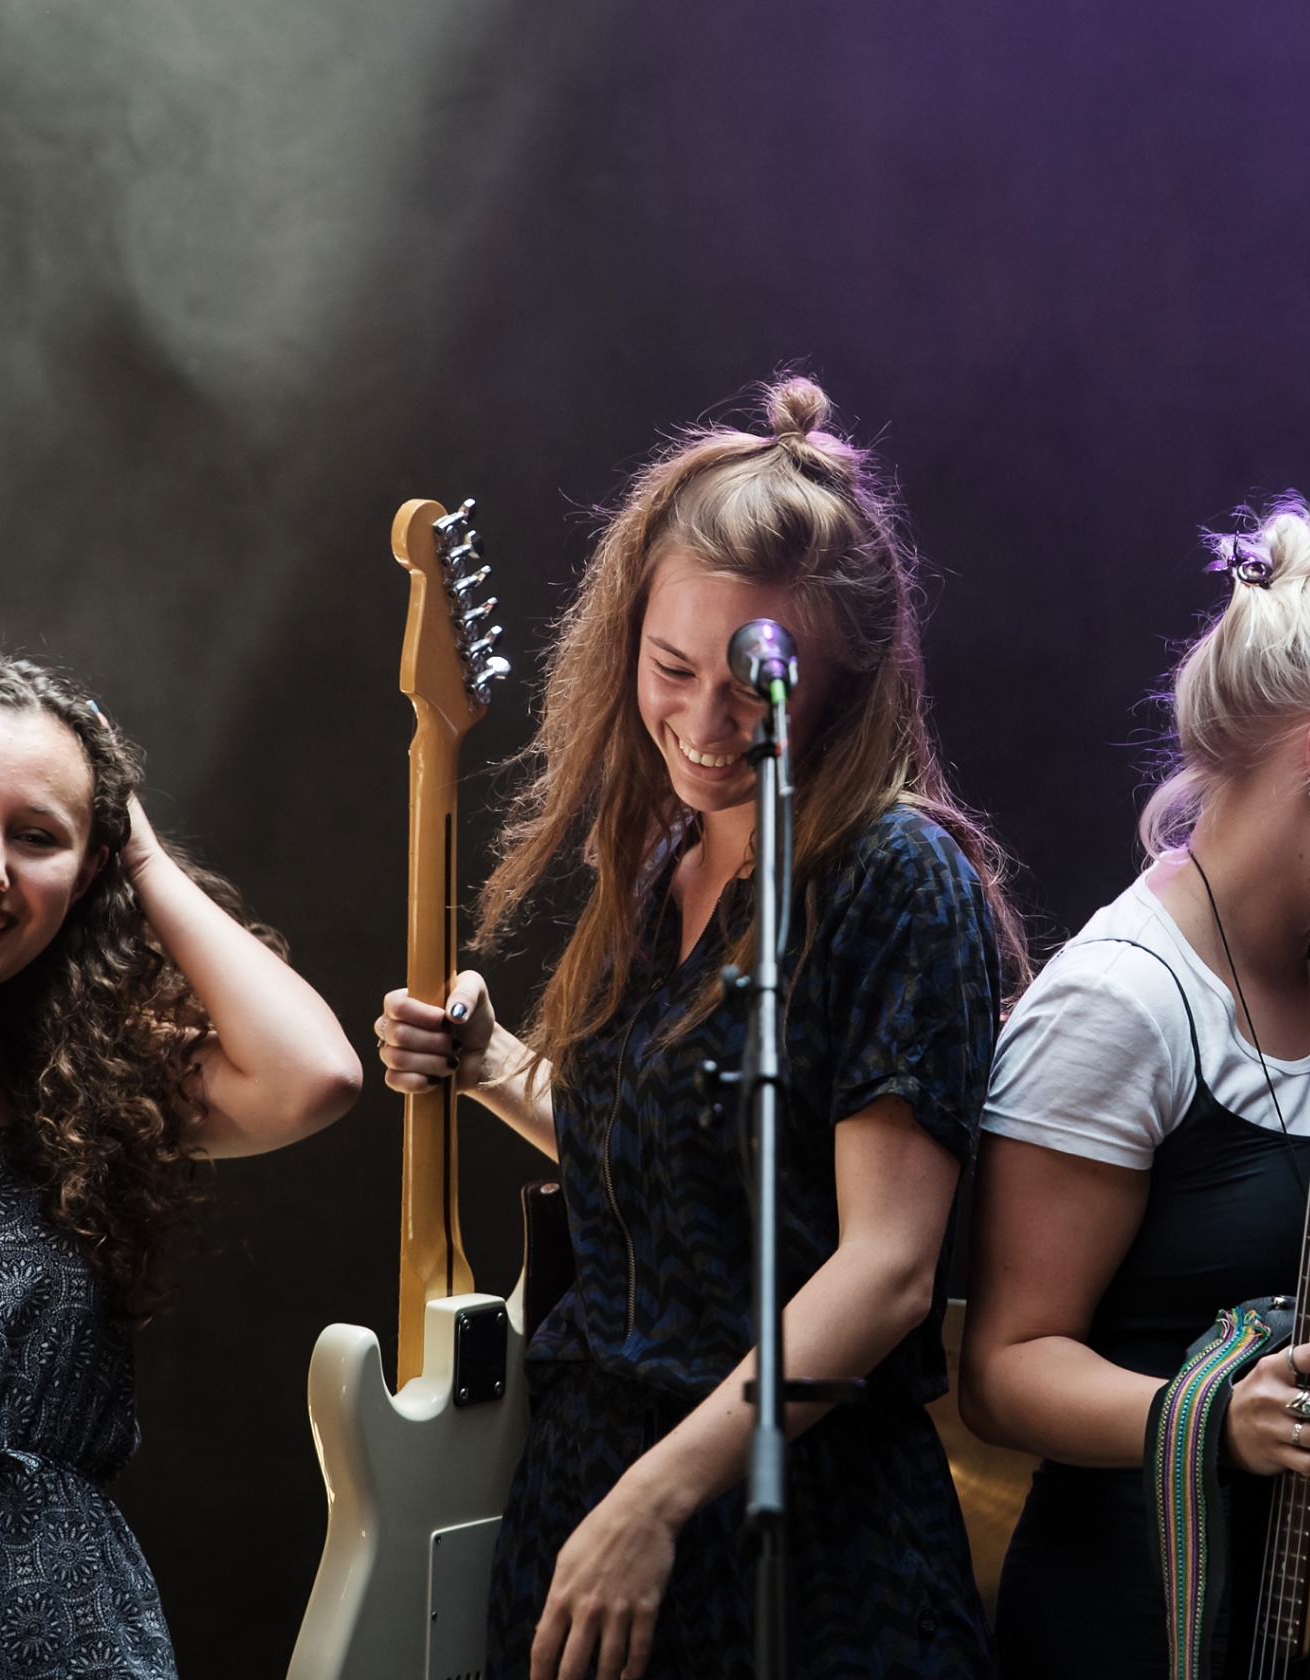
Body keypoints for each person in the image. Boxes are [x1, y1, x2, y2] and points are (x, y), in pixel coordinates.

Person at [377, 376, 1019, 1680]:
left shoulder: (893, 874)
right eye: (673, 668)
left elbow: (887, 1274)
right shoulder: (664, 857)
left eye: (756, 688)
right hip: (599, 1510)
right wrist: (496, 1065)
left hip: (796, 1545)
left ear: (842, 683)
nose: (707, 723)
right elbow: (696, 1178)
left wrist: (656, 1499)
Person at [960, 500, 1310, 1678]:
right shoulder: (1119, 1003)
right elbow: (1005, 1370)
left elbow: (1263, 1220)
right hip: (1165, 1634)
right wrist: (1201, 1417)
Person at [0, 646, 362, 1678]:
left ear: (85, 872)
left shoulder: (91, 1088)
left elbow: (315, 1077)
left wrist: (145, 860)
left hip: (71, 1632)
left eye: (38, 838)